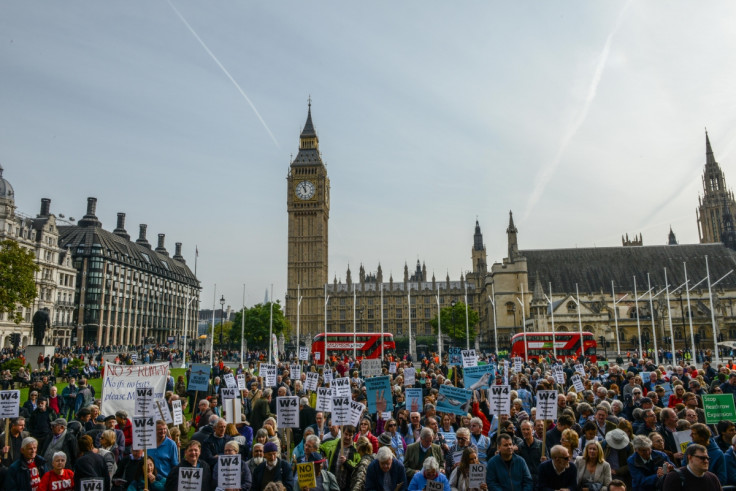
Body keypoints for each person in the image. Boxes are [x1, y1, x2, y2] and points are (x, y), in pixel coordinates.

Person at [516, 420, 544, 488]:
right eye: (523, 429)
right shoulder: (519, 447)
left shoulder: (541, 445)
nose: (526, 432)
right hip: (525, 481)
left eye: (528, 429)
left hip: (539, 480)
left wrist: (545, 460)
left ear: (532, 429)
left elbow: (548, 461)